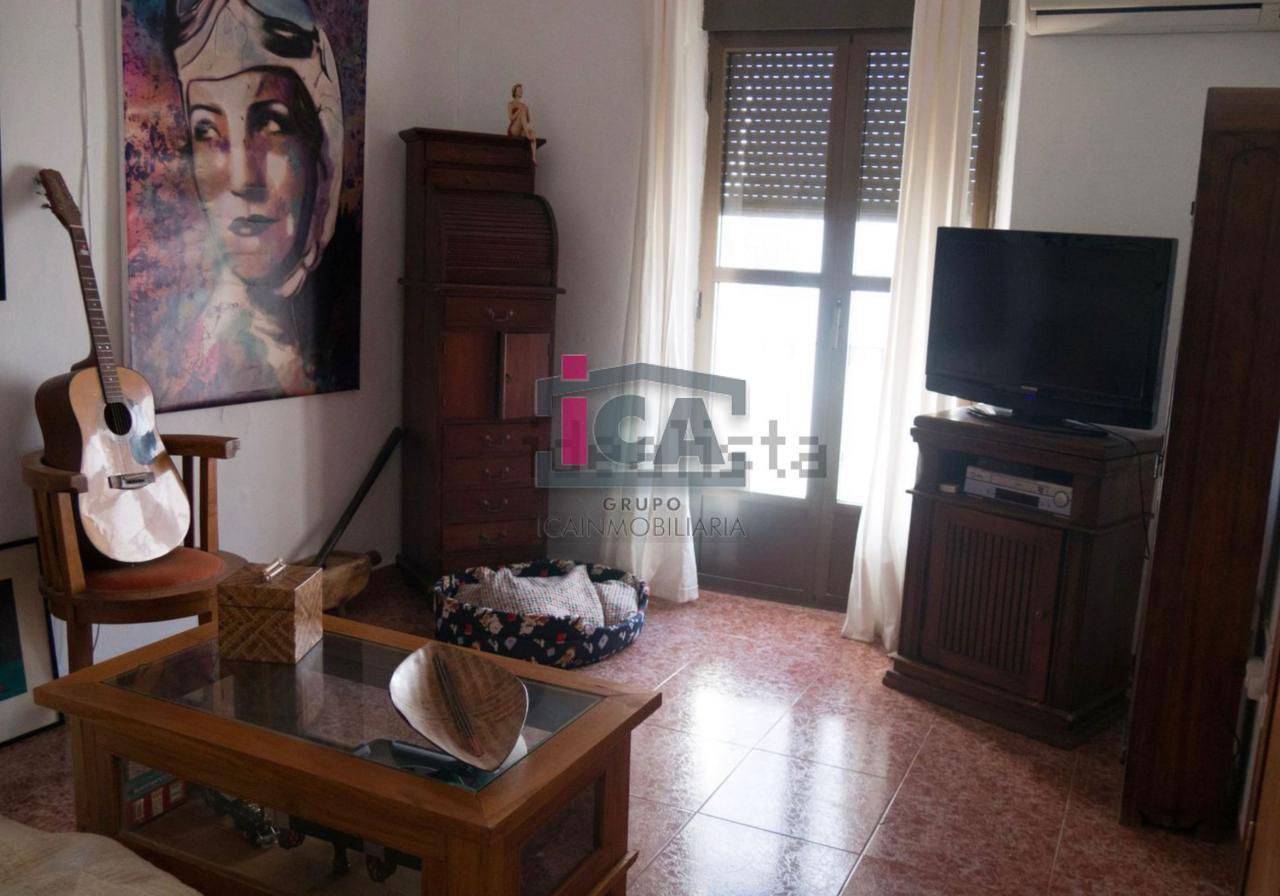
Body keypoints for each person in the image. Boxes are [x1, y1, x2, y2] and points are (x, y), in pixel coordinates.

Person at [159, 0, 356, 404]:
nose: (243, 179)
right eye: (207, 132)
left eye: (270, 124)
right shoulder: (184, 363)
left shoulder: (343, 331)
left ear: (323, 153)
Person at [507, 83, 538, 164]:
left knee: (532, 132)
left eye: (521, 90)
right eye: (519, 90)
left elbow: (528, 120)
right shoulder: (511, 104)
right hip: (513, 129)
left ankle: (534, 157)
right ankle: (527, 134)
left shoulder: (523, 105)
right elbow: (511, 118)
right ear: (515, 92)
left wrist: (526, 111)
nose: (521, 92)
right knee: (522, 113)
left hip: (522, 129)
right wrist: (519, 110)